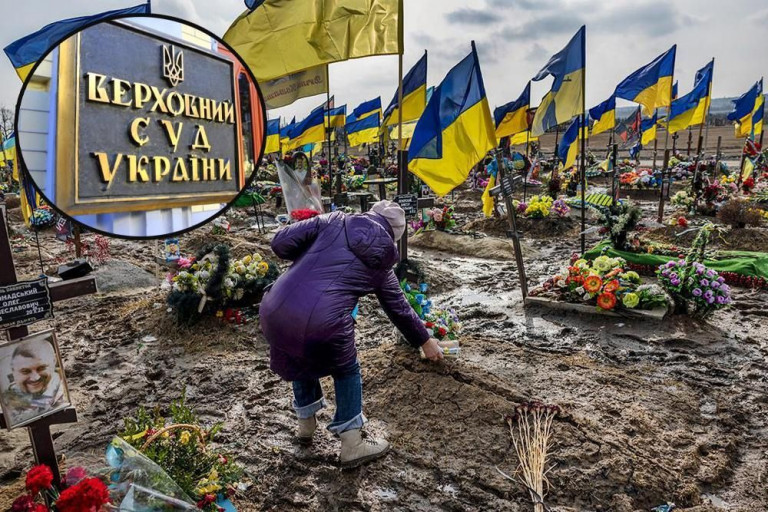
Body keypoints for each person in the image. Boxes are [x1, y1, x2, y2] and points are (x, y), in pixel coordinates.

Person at [260, 200, 445, 468]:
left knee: (297, 349)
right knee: (346, 368)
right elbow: (399, 308)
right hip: (323, 321)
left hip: (275, 307)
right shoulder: (381, 259)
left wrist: (311, 252)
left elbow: (280, 243)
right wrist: (425, 341)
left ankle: (305, 424)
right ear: (394, 235)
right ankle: (351, 443)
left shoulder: (333, 220)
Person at [2, 337, 67, 426]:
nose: (35, 378)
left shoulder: (62, 389)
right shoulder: (9, 399)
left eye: (41, 368)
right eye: (25, 371)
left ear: (54, 361)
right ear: (13, 371)